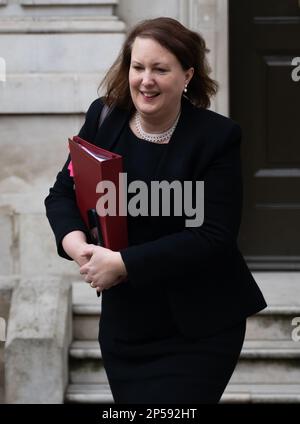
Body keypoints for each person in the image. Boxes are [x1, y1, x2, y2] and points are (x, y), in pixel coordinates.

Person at [45, 17, 267, 404]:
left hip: (199, 326)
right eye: (138, 67)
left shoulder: (217, 138)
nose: (145, 80)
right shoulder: (103, 117)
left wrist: (122, 263)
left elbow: (213, 235)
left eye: (160, 69)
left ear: (187, 76)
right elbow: (62, 194)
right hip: (127, 328)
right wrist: (76, 244)